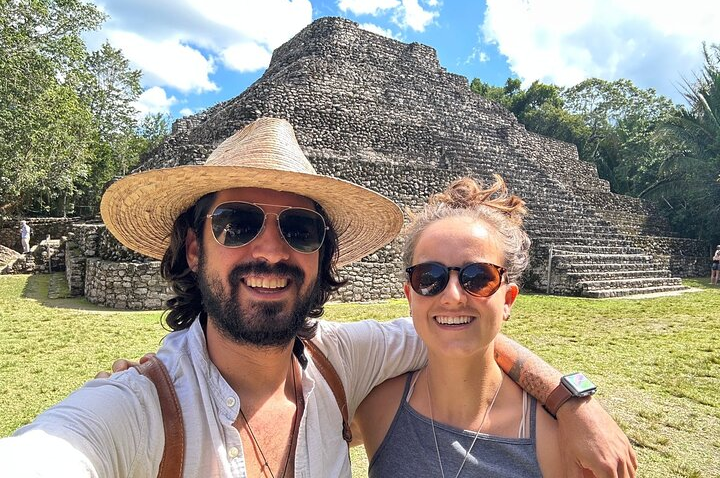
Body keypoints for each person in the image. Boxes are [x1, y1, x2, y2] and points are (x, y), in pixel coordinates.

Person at [0, 118, 636, 477]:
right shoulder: (133, 412)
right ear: (193, 248)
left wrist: (571, 398)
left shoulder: (342, 361)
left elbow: (460, 328)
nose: (270, 251)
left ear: (324, 257)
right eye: (237, 224)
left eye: (300, 229)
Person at [356, 176, 576, 476]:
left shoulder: (558, 442)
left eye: (478, 277)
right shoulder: (375, 408)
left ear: (508, 299)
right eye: (429, 277)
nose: (453, 296)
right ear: (410, 296)